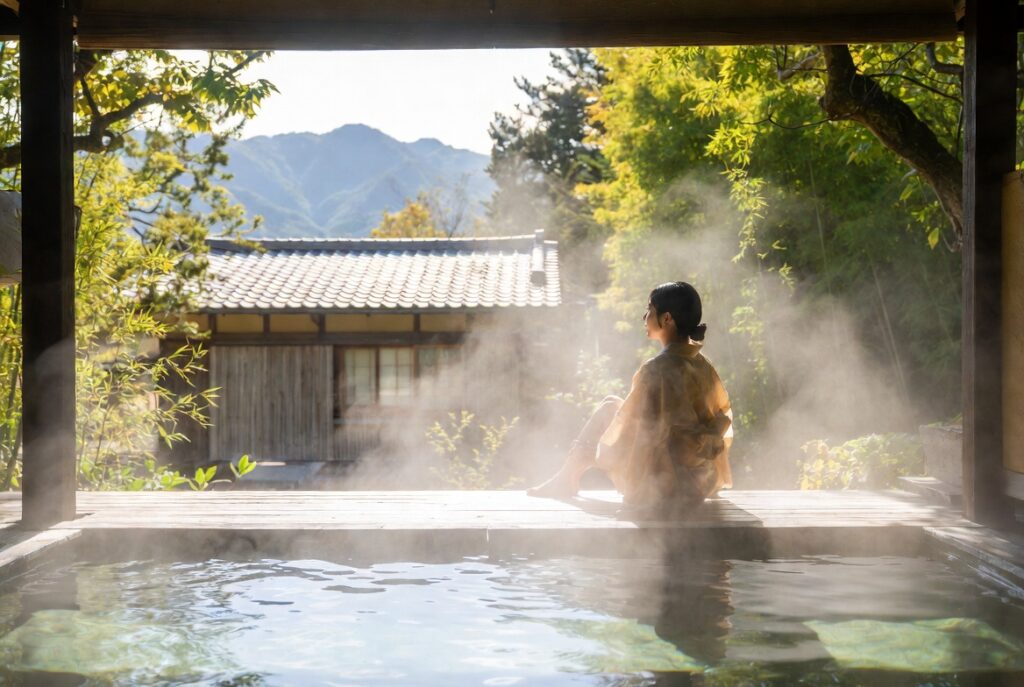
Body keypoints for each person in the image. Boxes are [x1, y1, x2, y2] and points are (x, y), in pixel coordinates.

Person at [528, 281, 733, 508]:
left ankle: (566, 478)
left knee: (609, 410)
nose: (644, 317)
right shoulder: (702, 364)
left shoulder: (656, 369)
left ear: (666, 319)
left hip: (667, 485)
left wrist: (603, 453)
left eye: (649, 310)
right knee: (612, 403)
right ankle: (567, 477)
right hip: (701, 479)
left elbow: (634, 432)